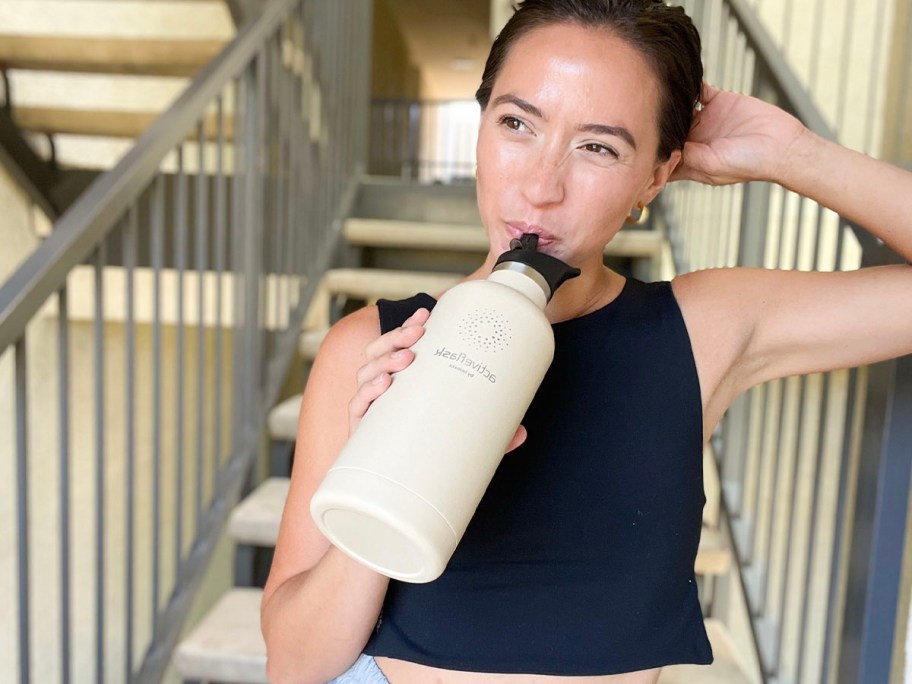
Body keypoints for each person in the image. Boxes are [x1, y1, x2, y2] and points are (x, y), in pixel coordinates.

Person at [260, 0, 912, 682]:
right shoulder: (373, 346)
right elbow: (295, 666)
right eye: (516, 123)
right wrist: (388, 473)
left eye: (598, 146)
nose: (540, 188)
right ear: (480, 127)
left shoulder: (701, 329)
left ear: (655, 178)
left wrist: (793, 156)